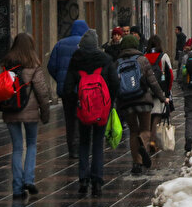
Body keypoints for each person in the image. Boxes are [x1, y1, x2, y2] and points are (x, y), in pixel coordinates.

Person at [65, 29, 119, 197]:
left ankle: (83, 179)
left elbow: (67, 88)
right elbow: (115, 83)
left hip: (84, 109)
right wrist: (109, 102)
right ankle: (97, 181)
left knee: (83, 143)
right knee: (97, 143)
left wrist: (77, 102)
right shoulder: (105, 59)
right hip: (101, 109)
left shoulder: (76, 60)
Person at [0, 33, 51, 199]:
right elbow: (42, 92)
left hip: (10, 111)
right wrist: (45, 113)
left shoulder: (4, 65)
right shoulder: (34, 66)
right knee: (32, 144)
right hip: (31, 112)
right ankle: (29, 179)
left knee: (17, 147)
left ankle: (17, 188)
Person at [115, 34, 167, 175]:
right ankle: (143, 146)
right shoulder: (142, 59)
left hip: (126, 102)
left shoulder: (117, 62)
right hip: (143, 99)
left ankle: (136, 163)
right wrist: (162, 98)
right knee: (145, 129)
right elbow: (153, 82)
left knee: (133, 131)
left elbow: (115, 84)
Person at [46, 18, 89, 158]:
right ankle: (81, 145)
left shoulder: (60, 44)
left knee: (69, 118)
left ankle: (72, 148)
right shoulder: (86, 44)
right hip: (83, 88)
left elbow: (51, 66)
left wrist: (60, 79)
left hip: (65, 89)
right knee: (83, 117)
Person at [143, 35, 174, 152]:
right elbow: (170, 74)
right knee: (158, 114)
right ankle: (152, 140)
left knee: (149, 114)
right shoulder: (163, 56)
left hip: (147, 90)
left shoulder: (144, 57)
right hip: (160, 90)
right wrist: (167, 90)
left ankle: (146, 140)